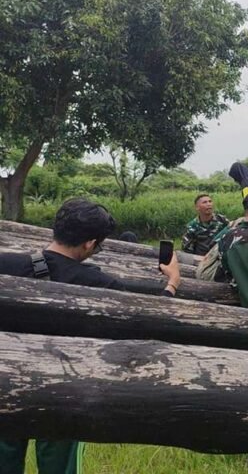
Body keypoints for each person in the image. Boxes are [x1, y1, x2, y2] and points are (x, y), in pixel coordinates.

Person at [0, 197, 181, 474]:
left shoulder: (7, 264)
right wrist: (171, 284)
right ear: (89, 243)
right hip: (64, 390)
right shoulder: (100, 284)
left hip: (5, 384)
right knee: (59, 465)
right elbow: (148, 321)